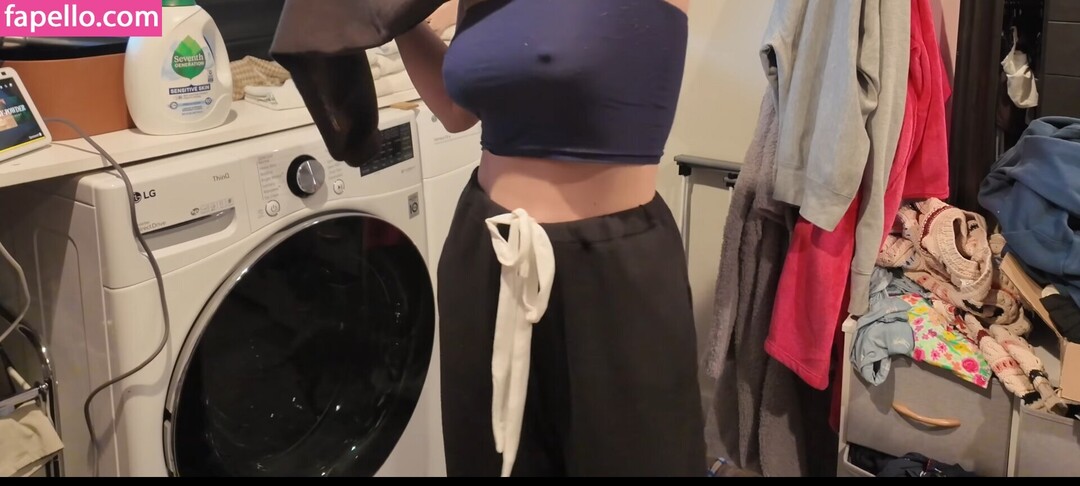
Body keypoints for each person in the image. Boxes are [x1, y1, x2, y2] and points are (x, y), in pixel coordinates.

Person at [396, 0, 703, 477]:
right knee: (485, 459)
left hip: (614, 274)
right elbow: (457, 112)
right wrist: (392, 18)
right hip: (485, 254)